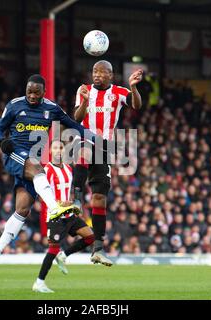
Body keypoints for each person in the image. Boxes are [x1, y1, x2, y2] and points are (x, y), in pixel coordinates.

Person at [0, 74, 101, 273]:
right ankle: (55, 206)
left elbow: (74, 125)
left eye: (36, 93)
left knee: (22, 210)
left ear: (43, 93)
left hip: (31, 164)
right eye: (29, 91)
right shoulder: (14, 105)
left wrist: (97, 139)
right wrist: (1, 142)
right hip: (15, 154)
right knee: (38, 167)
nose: (31, 96)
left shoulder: (51, 108)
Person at [72, 60, 143, 266]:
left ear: (111, 75)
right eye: (95, 71)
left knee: (100, 198)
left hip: (105, 147)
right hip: (85, 139)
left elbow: (137, 105)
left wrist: (133, 87)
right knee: (84, 146)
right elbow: (77, 118)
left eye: (102, 72)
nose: (97, 75)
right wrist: (85, 101)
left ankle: (98, 247)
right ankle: (76, 198)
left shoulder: (119, 92)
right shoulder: (84, 90)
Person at [33, 140, 94, 293]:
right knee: (53, 249)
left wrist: (73, 203)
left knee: (90, 237)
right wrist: (58, 202)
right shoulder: (45, 170)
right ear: (51, 151)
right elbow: (41, 194)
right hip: (55, 216)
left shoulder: (68, 168)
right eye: (55, 148)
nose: (59, 150)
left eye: (61, 147)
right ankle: (39, 283)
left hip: (70, 214)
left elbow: (68, 190)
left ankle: (64, 255)